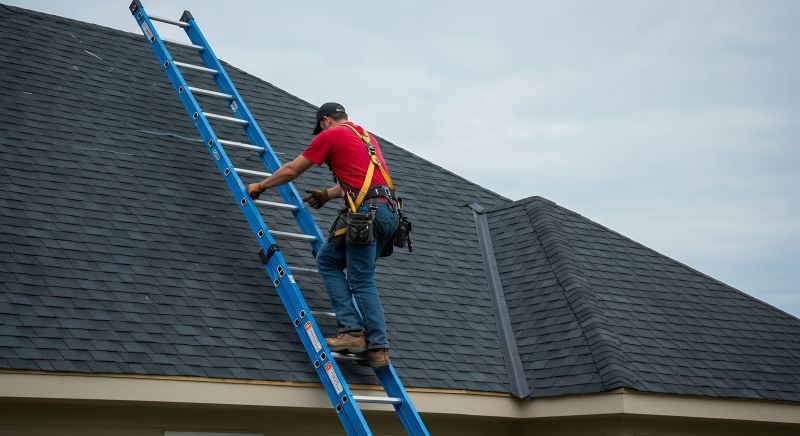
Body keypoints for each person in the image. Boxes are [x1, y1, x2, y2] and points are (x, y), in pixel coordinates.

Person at [246, 102, 398, 368]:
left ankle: (354, 334)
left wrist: (260, 185)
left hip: (367, 213)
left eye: (320, 128)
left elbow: (293, 169)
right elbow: (364, 179)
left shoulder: (331, 134)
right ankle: (376, 351)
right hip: (389, 214)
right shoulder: (366, 137)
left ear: (326, 120)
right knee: (329, 260)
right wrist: (327, 195)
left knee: (361, 280)